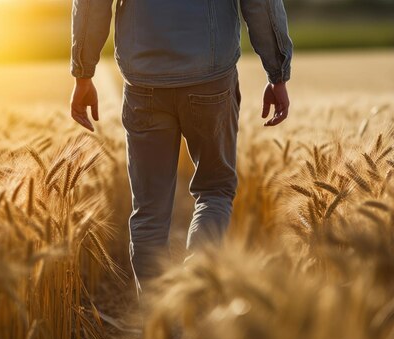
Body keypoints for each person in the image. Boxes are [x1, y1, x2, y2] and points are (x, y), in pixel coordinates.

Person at [69, 0, 292, 296]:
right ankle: (195, 292)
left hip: (143, 81)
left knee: (149, 211)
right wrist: (277, 73)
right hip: (210, 78)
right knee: (215, 191)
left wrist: (83, 73)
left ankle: (156, 320)